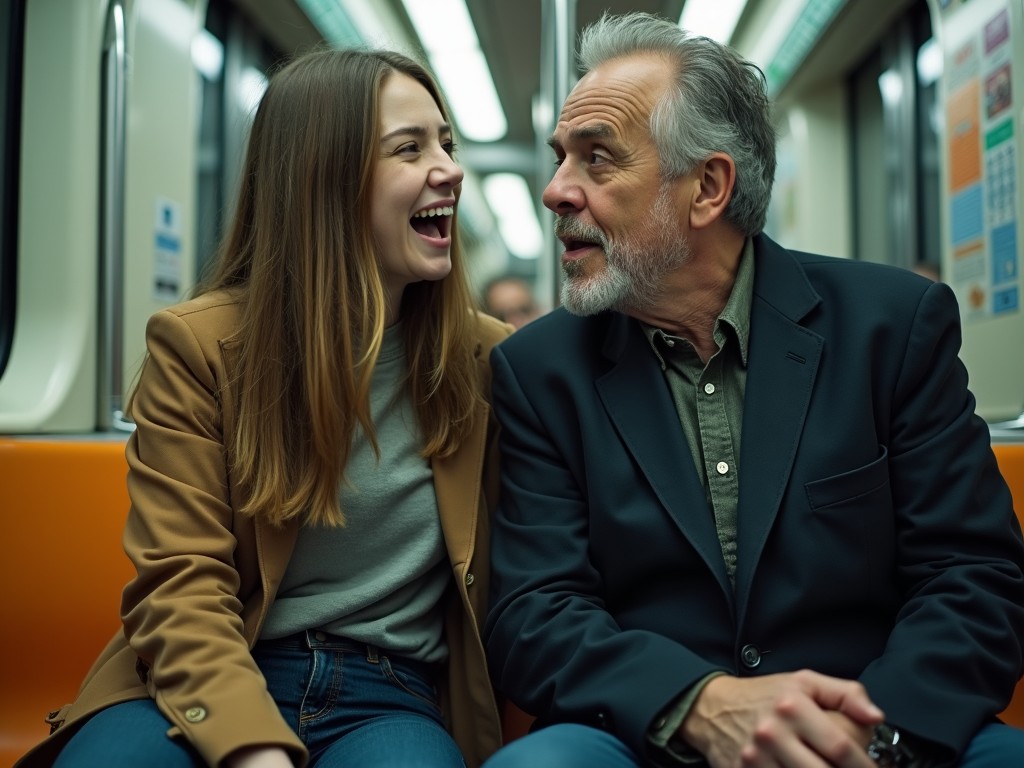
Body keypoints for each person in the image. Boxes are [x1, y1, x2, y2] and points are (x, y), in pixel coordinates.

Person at [482, 12, 1024, 768]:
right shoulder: (540, 370)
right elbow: (534, 614)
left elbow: (974, 576)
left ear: (707, 187)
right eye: (559, 159)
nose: (555, 191)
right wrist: (700, 705)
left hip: (873, 720)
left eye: (596, 161)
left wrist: (872, 734)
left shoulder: (892, 327)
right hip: (649, 735)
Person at [16, 47, 509, 768]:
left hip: (392, 690)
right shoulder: (201, 348)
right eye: (410, 148)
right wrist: (252, 748)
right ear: (326, 179)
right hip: (211, 668)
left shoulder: (487, 363)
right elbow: (182, 584)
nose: (450, 168)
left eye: (447, 143)